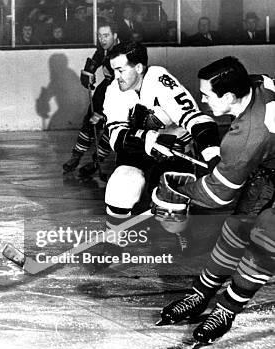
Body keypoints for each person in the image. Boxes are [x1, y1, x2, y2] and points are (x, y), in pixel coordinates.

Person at [152, 57, 275, 346]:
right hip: (269, 169)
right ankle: (200, 294)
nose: (202, 100)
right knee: (237, 227)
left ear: (230, 96)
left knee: (264, 243)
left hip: (266, 164)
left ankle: (226, 310)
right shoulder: (258, 83)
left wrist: (179, 191)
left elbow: (218, 196)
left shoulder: (247, 138)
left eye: (207, 94)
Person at [101, 41, 220, 249]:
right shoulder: (113, 91)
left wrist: (212, 154)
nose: (116, 76)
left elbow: (196, 120)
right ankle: (113, 239)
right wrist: (150, 140)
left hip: (174, 152)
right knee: (121, 185)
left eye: (120, 70)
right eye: (114, 70)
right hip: (137, 152)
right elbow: (117, 138)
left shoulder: (160, 80)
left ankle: (182, 231)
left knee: (172, 202)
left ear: (138, 68)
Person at [63, 22, 118, 177]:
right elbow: (90, 68)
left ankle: (97, 162)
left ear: (115, 36)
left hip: (123, 94)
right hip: (106, 88)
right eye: (99, 36)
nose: (102, 39)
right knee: (89, 121)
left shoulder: (124, 52)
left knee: (111, 127)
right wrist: (87, 76)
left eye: (106, 35)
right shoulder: (102, 51)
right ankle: (76, 156)